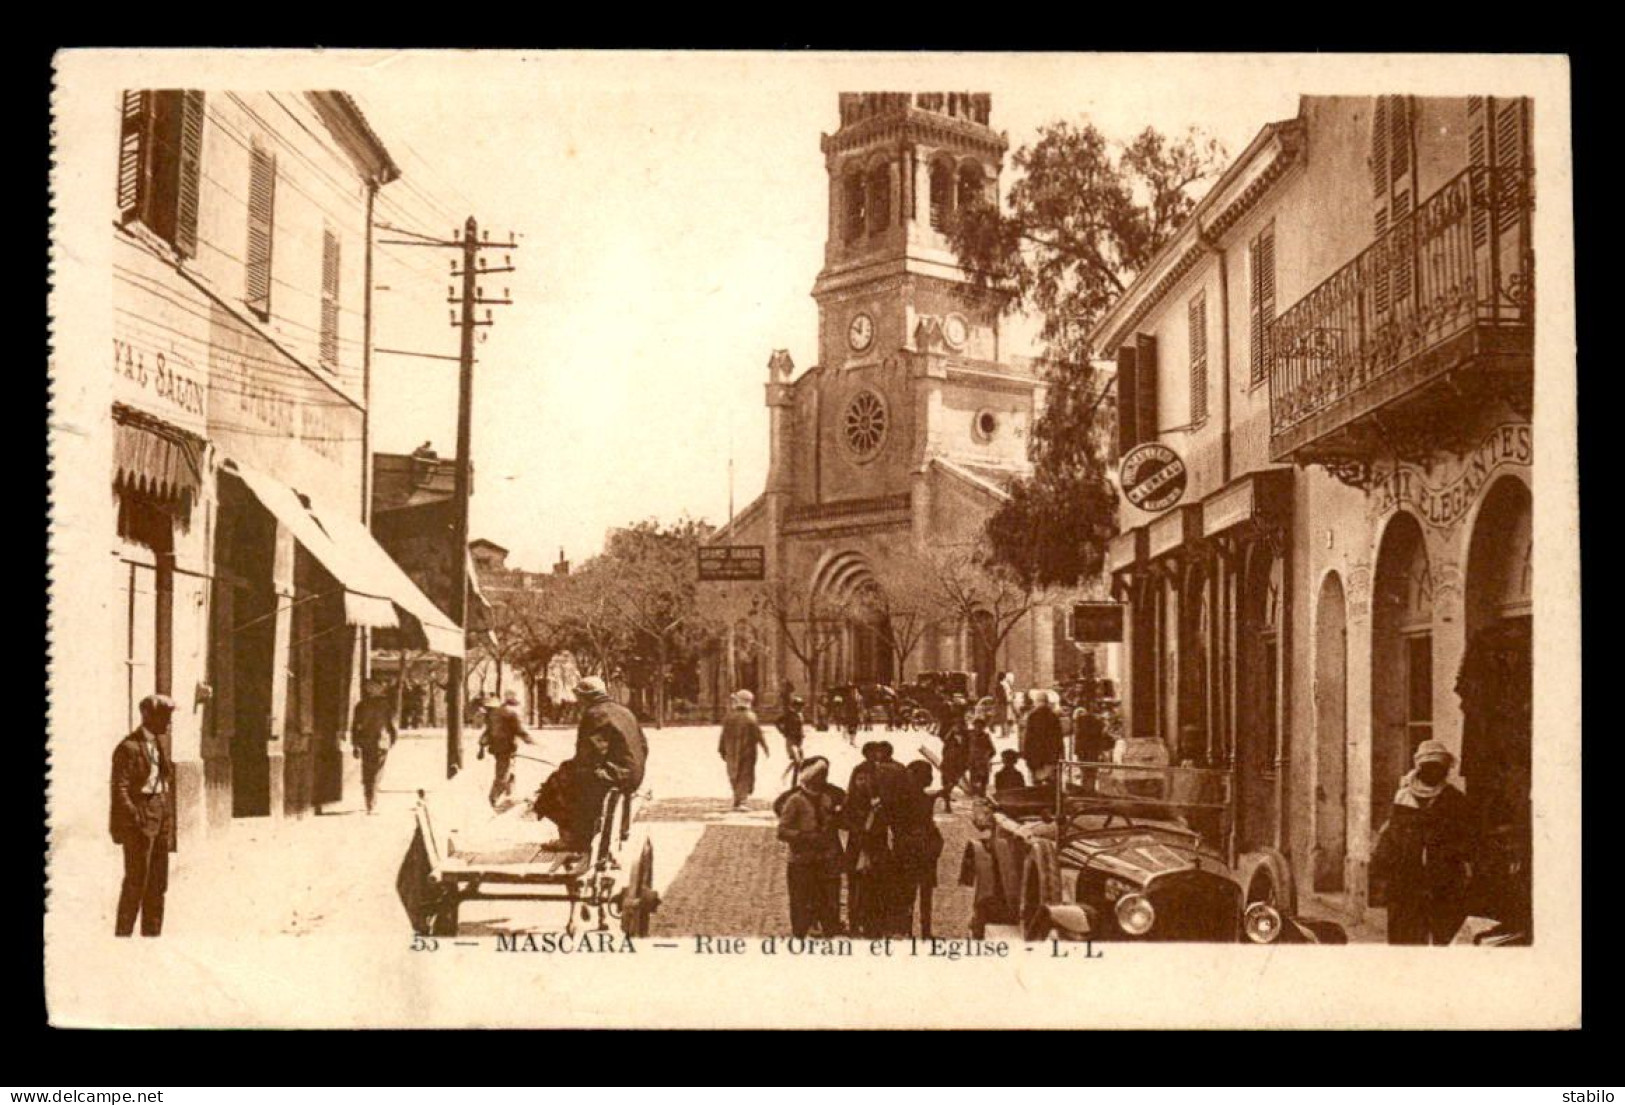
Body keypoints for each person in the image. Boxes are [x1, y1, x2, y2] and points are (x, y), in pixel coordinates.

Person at [1371, 741, 1477, 946]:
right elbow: (1391, 836)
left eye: (1439, 768)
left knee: (1444, 935)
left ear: (1446, 770)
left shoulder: (1455, 799)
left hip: (1443, 879)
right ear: (1420, 768)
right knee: (1405, 936)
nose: (1434, 772)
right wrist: (1381, 874)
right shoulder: (1403, 796)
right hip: (1405, 879)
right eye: (1429, 767)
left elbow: (1467, 839)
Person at [533, 676, 648, 852]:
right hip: (633, 774)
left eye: (579, 697)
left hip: (615, 774)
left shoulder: (595, 714)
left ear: (586, 696)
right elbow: (644, 746)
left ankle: (573, 838)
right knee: (570, 774)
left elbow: (591, 754)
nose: (578, 701)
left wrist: (570, 769)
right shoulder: (625, 712)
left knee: (555, 785)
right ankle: (586, 831)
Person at [110, 694, 177, 937]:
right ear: (148, 716)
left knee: (158, 883)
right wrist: (135, 815)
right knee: (136, 881)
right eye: (164, 717)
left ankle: (152, 938)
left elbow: (164, 779)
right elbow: (120, 788)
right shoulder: (128, 747)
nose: (168, 723)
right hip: (140, 818)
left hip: (160, 814)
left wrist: (165, 814)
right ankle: (122, 939)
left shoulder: (158, 743)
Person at [776, 756, 846, 938]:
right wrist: (804, 837)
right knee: (800, 899)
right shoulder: (795, 801)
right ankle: (800, 933)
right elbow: (782, 831)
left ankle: (829, 930)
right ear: (810, 777)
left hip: (824, 859)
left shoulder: (826, 798)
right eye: (820, 775)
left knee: (826, 898)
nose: (823, 778)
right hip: (801, 860)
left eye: (825, 775)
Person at [892, 760, 946, 938]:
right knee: (921, 894)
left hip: (913, 849)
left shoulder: (904, 797)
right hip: (918, 849)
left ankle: (908, 930)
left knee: (909, 893)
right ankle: (923, 931)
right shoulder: (915, 799)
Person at [479, 690, 534, 808]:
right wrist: (528, 739)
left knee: (509, 772)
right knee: (503, 774)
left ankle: (510, 795)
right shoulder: (507, 714)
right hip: (505, 748)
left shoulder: (493, 715)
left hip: (503, 748)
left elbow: (488, 732)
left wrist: (482, 745)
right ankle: (493, 799)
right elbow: (519, 729)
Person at [351, 678, 398, 814]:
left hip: (367, 742)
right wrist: (392, 740)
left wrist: (355, 743)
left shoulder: (361, 705)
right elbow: (392, 725)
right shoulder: (386, 705)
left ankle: (369, 800)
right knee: (376, 772)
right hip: (381, 742)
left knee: (367, 771)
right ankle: (371, 801)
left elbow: (355, 727)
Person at [719, 689, 770, 811]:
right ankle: (742, 801)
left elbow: (723, 735)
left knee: (734, 773)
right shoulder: (751, 717)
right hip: (747, 751)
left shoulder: (729, 717)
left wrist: (722, 749)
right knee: (745, 774)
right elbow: (758, 734)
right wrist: (765, 747)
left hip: (731, 751)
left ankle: (737, 799)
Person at [1021, 690, 1063, 785]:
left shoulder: (1032, 716)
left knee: (1036, 784)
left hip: (1036, 756)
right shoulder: (1053, 716)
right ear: (1047, 702)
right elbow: (1059, 738)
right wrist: (1060, 753)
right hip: (1051, 756)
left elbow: (1028, 737)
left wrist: (1026, 753)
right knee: (1052, 784)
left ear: (1036, 702)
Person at [937, 718, 967, 812]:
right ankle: (947, 805)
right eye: (955, 725)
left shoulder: (966, 737)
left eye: (959, 725)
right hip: (948, 763)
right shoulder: (950, 738)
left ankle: (944, 794)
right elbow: (944, 742)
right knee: (947, 782)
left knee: (953, 782)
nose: (957, 727)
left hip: (959, 764)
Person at [966, 715, 997, 797]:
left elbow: (993, 751)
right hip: (973, 761)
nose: (978, 728)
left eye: (981, 727)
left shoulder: (986, 737)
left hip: (983, 762)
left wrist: (986, 758)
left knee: (983, 780)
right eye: (977, 726)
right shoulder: (970, 735)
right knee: (973, 779)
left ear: (983, 727)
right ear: (974, 726)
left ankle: (982, 793)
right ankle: (973, 793)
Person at [778, 694, 807, 778]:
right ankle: (791, 780)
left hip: (799, 740)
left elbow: (801, 726)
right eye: (798, 705)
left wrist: (802, 733)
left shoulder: (800, 715)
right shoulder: (789, 714)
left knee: (801, 762)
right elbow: (777, 722)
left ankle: (797, 780)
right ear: (794, 706)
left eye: (801, 705)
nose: (800, 707)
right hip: (791, 740)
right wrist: (783, 732)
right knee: (797, 760)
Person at [994, 671, 1013, 739]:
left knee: (1003, 719)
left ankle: (1004, 734)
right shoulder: (1005, 684)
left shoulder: (1001, 684)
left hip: (1002, 703)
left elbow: (1002, 694)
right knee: (1005, 718)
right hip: (1005, 702)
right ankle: (1006, 733)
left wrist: (1000, 701)